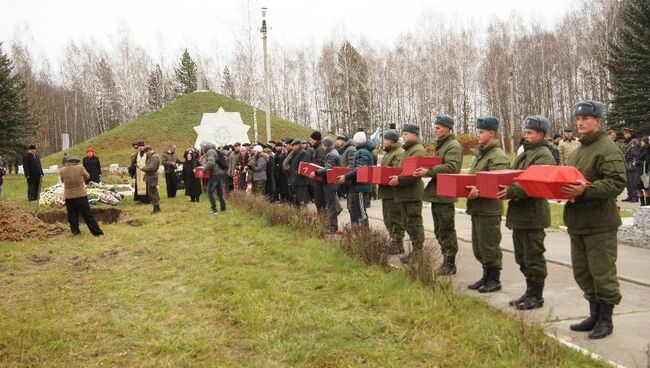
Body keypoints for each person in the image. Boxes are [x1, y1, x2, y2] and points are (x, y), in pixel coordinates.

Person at [561, 100, 626, 339]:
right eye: (578, 119)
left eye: (586, 118)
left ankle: (606, 320)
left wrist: (584, 191)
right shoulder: (578, 151)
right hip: (578, 221)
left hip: (600, 223)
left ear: (598, 121)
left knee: (602, 272)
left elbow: (617, 183)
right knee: (583, 272)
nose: (580, 122)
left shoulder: (606, 147)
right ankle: (594, 314)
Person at [497, 116, 556, 310]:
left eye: (530, 132)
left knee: (533, 257)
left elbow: (537, 183)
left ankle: (537, 296)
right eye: (525, 132)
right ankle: (530, 291)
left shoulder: (543, 155)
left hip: (533, 214)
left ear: (541, 134)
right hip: (520, 214)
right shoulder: (524, 154)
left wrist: (512, 190)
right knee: (522, 257)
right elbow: (514, 176)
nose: (526, 135)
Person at [466, 117, 510, 293]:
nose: (478, 135)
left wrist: (479, 191)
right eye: (477, 131)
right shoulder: (481, 154)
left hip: (489, 208)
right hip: (477, 207)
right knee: (479, 246)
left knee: (489, 245)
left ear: (491, 133)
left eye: (481, 132)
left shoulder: (498, 156)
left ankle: (494, 279)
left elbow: (497, 183)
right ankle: (485, 275)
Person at [414, 114, 463, 274]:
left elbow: (452, 167)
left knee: (446, 229)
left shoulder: (453, 146)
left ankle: (450, 264)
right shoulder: (441, 145)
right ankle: (446, 261)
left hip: (445, 193)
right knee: (439, 229)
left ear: (448, 128)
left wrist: (430, 170)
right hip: (438, 192)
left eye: (438, 127)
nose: (435, 130)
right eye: (435, 127)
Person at [386, 124, 427, 264]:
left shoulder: (418, 150)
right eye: (403, 134)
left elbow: (414, 173)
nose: (403, 136)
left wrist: (399, 179)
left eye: (406, 134)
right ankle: (415, 251)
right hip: (405, 193)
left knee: (414, 222)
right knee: (408, 223)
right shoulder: (408, 150)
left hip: (412, 193)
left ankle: (418, 252)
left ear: (415, 135)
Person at [377, 129, 406, 254]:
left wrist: (380, 174)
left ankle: (398, 244)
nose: (384, 142)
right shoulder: (389, 152)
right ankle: (394, 242)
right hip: (387, 191)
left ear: (391, 140)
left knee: (394, 218)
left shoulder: (398, 153)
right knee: (388, 217)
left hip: (394, 192)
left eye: (385, 139)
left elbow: (396, 171)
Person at [59, 155, 104, 236]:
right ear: (76, 162)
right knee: (87, 214)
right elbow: (88, 176)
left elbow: (62, 181)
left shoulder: (62, 170)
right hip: (81, 195)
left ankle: (76, 232)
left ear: (68, 162)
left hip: (69, 196)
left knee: (72, 215)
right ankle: (97, 232)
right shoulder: (80, 168)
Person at [339, 131, 376, 227]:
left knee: (361, 211)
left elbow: (360, 169)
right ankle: (357, 231)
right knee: (356, 210)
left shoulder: (362, 152)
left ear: (357, 141)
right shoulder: (363, 151)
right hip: (358, 185)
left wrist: (346, 176)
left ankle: (364, 233)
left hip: (360, 186)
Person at [312, 136, 342, 234]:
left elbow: (328, 168)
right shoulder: (333, 152)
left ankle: (332, 227)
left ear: (325, 145)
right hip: (331, 182)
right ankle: (332, 226)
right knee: (331, 205)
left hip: (330, 183)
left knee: (331, 206)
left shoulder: (331, 155)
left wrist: (316, 173)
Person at [200, 141, 227, 215]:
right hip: (220, 172)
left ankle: (214, 209)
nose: (201, 148)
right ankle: (223, 207)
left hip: (216, 173)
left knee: (210, 190)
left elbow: (211, 163)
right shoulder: (212, 150)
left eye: (202, 147)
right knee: (219, 191)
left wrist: (204, 170)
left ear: (205, 147)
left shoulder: (210, 151)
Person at [287, 139, 311, 207]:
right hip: (295, 180)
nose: (292, 147)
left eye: (293, 145)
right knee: (296, 199)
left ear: (298, 145)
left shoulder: (303, 153)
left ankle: (303, 215)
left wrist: (297, 173)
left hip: (301, 181)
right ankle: (298, 214)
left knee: (302, 200)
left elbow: (304, 167)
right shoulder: (295, 153)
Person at [138, 146, 161, 213]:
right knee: (152, 193)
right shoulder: (152, 156)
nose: (146, 154)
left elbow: (151, 168)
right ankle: (156, 208)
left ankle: (156, 209)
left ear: (149, 150)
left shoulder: (154, 157)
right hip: (150, 177)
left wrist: (142, 168)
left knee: (153, 193)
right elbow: (149, 167)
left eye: (146, 153)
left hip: (152, 177)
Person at [309, 131, 327, 213]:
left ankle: (322, 219)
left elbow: (321, 165)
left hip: (320, 179)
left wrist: (315, 171)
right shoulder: (317, 149)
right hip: (317, 178)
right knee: (318, 200)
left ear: (316, 140)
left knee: (320, 201)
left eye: (311, 139)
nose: (310, 141)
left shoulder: (320, 149)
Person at [622, 127, 640, 202]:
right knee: (628, 182)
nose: (624, 135)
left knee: (633, 181)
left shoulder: (634, 141)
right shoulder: (626, 142)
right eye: (624, 134)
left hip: (632, 164)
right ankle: (630, 195)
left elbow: (630, 153)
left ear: (630, 134)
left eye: (626, 133)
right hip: (626, 164)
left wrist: (623, 157)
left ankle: (635, 196)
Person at [634, 136, 649, 206]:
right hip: (638, 171)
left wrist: (640, 162)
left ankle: (648, 203)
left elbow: (647, 159)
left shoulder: (648, 150)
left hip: (645, 171)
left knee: (646, 187)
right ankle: (642, 203)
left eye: (642, 141)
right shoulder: (639, 149)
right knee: (638, 187)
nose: (641, 142)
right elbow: (636, 155)